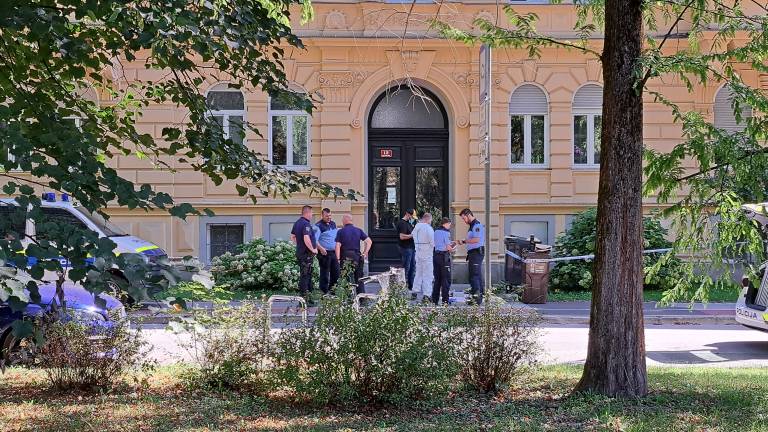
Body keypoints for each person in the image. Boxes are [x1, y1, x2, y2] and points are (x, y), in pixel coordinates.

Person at [335, 214, 373, 294]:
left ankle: (347, 298)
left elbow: (338, 245)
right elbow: (369, 242)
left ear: (344, 221)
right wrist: (364, 253)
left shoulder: (341, 231)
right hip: (357, 257)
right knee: (359, 278)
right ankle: (361, 297)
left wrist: (338, 259)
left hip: (345, 257)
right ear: (351, 220)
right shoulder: (358, 230)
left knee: (345, 278)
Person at [290, 205, 318, 304]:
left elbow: (292, 236)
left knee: (306, 275)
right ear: (307, 213)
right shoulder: (306, 224)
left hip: (301, 253)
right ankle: (304, 300)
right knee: (306, 276)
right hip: (306, 254)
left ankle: (308, 298)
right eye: (311, 213)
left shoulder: (297, 223)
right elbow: (306, 238)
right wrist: (312, 249)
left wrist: (299, 245)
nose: (312, 215)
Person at [458, 208, 485, 305]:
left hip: (476, 253)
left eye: (464, 218)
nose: (464, 221)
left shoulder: (476, 225)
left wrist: (464, 241)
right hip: (473, 254)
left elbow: (476, 239)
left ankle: (476, 299)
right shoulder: (472, 226)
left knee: (474, 276)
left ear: (468, 215)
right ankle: (478, 297)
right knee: (476, 275)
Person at [314, 208, 340, 295]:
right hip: (324, 253)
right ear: (322, 216)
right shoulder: (318, 226)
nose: (329, 217)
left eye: (330, 216)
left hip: (334, 252)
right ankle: (323, 292)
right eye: (327, 216)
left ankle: (333, 291)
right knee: (324, 274)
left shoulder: (333, 224)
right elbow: (314, 240)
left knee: (336, 273)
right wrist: (321, 248)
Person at [411, 212, 435, 302]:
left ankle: (414, 292)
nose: (430, 222)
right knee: (428, 275)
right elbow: (433, 242)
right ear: (428, 219)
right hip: (427, 253)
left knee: (418, 273)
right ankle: (427, 294)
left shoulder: (416, 227)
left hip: (418, 252)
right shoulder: (428, 228)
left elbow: (413, 236)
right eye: (430, 220)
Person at [432, 217, 455, 305]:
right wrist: (454, 247)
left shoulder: (435, 231)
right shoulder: (446, 233)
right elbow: (448, 247)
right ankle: (445, 301)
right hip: (444, 257)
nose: (449, 226)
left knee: (437, 279)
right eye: (449, 224)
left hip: (436, 256)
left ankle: (435, 300)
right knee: (446, 280)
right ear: (446, 223)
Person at [396, 208, 416, 290]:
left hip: (411, 248)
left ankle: (411, 286)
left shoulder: (408, 223)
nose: (412, 218)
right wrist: (413, 235)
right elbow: (402, 236)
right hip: (406, 248)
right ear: (407, 214)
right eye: (411, 216)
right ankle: (402, 286)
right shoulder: (402, 223)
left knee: (412, 267)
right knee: (406, 268)